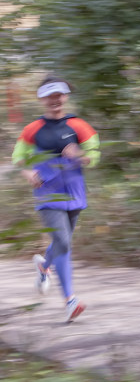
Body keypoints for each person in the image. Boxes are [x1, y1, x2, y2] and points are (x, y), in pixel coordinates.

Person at [12, 75, 100, 322]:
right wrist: (28, 171)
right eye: (49, 96)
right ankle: (70, 301)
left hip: (74, 191)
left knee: (63, 242)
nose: (54, 101)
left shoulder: (78, 125)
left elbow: (95, 154)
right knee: (63, 241)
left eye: (58, 95)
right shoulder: (32, 129)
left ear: (65, 97)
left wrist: (80, 155)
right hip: (47, 191)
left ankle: (43, 266)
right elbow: (18, 156)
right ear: (42, 99)